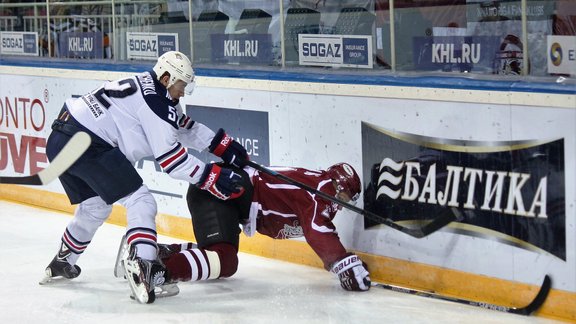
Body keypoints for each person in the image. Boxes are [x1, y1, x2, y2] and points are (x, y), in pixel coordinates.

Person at [41, 51, 249, 305]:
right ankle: (145, 264)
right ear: (166, 78)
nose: (183, 92)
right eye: (181, 85)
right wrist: (211, 177)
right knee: (142, 202)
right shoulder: (156, 103)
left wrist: (220, 144)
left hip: (60, 139)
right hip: (87, 142)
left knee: (95, 206)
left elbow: (181, 126)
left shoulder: (153, 90)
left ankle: (63, 260)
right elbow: (172, 161)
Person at [115, 162, 371, 296]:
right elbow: (317, 228)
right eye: (346, 196)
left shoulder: (318, 184)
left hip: (225, 196)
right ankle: (156, 273)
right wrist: (343, 263)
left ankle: (153, 253)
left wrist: (339, 262)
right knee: (225, 261)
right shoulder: (320, 192)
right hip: (219, 192)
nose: (344, 204)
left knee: (218, 256)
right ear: (337, 188)